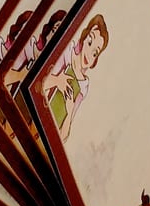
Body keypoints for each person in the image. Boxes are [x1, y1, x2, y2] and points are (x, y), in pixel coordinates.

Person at [40, 13, 108, 141]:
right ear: (84, 38)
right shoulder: (67, 53)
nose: (89, 54)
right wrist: (57, 80)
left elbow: (63, 136)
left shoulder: (83, 87)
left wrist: (69, 110)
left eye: (95, 53)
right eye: (89, 42)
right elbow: (37, 84)